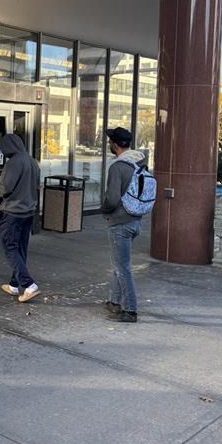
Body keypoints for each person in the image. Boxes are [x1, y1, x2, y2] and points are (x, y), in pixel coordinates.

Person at [100, 127, 146, 323]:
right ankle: (114, 301)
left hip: (120, 222)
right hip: (136, 220)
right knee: (120, 264)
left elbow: (112, 198)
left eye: (110, 141)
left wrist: (104, 211)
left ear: (115, 144)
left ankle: (130, 310)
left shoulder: (117, 167)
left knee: (122, 267)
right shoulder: (140, 163)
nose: (109, 144)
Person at [0, 134, 41, 303]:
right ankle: (14, 285)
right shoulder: (31, 161)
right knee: (21, 249)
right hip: (28, 211)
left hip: (12, 211)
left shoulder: (13, 162)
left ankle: (29, 284)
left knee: (10, 248)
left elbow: (5, 189)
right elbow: (36, 185)